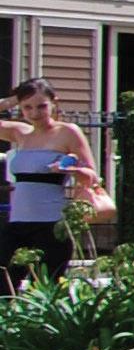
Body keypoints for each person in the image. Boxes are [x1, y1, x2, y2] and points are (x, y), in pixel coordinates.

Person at [1, 80, 100, 292]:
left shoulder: (67, 132)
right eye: (27, 107)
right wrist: (11, 100)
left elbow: (92, 177)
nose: (34, 113)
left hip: (51, 225)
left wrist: (71, 171)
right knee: (4, 283)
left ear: (54, 103)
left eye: (41, 106)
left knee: (47, 288)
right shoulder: (21, 132)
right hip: (18, 222)